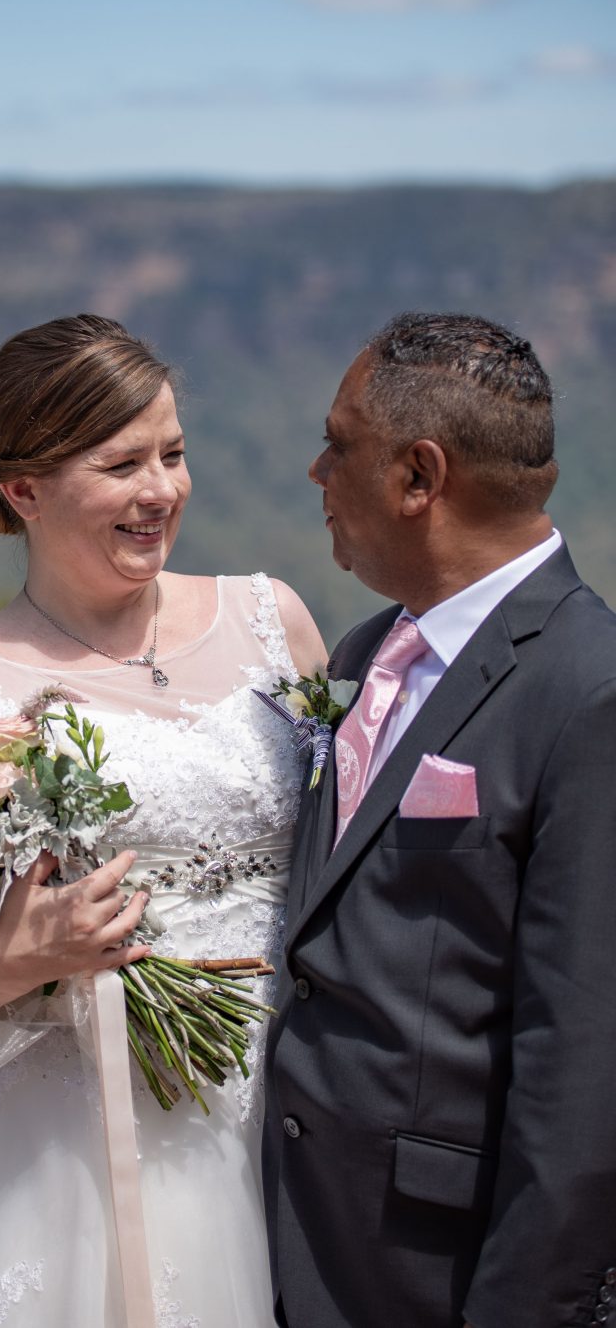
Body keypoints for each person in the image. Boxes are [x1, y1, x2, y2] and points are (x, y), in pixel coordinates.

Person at [0, 313, 325, 1327]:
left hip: (312, 1105)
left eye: (173, 454)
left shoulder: (273, 620)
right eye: (121, 465)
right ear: (23, 490)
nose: (162, 491)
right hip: (89, 1144)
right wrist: (19, 959)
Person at [263, 312, 616, 1328]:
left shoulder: (590, 693)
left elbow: (584, 1062)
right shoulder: (360, 653)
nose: (316, 471)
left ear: (418, 477)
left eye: (338, 445)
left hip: (439, 1273)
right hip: (295, 1238)